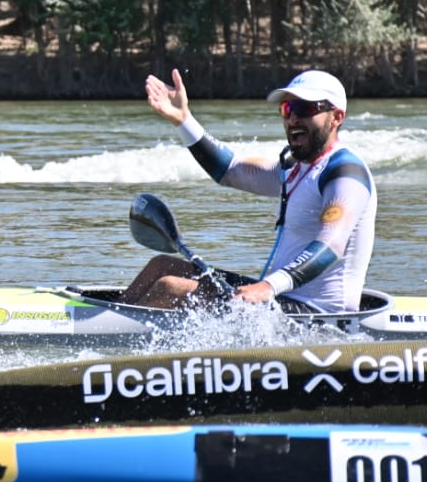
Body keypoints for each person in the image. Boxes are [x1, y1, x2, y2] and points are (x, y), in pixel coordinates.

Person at [119, 68, 376, 314]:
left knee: (171, 288)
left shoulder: (345, 173)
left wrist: (267, 286)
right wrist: (184, 120)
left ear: (337, 117)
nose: (293, 118)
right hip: (281, 299)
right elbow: (229, 169)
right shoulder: (295, 169)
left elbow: (330, 246)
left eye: (305, 109)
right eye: (287, 109)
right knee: (161, 267)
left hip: (319, 315)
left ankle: (112, 344)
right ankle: (104, 321)